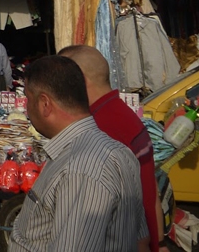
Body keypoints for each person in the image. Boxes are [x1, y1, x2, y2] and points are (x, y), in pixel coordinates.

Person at [10, 55, 147, 252]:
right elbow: (141, 239)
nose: (26, 109)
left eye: (28, 100)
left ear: (44, 104)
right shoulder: (118, 151)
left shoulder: (78, 169)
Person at [60, 45, 161, 252]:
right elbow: (152, 191)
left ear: (81, 81)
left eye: (61, 80)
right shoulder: (121, 113)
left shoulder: (100, 127)